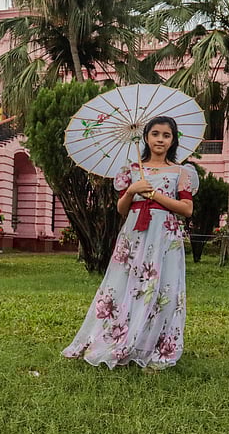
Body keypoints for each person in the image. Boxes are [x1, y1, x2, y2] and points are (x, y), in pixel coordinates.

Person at [63, 116, 197, 371]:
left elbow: (186, 209)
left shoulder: (181, 172)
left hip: (165, 236)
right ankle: (121, 339)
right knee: (127, 284)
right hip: (134, 234)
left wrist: (155, 195)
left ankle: (156, 346)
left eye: (166, 135)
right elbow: (122, 209)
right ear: (146, 137)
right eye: (155, 134)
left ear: (173, 139)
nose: (160, 139)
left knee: (163, 288)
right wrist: (132, 190)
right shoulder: (132, 170)